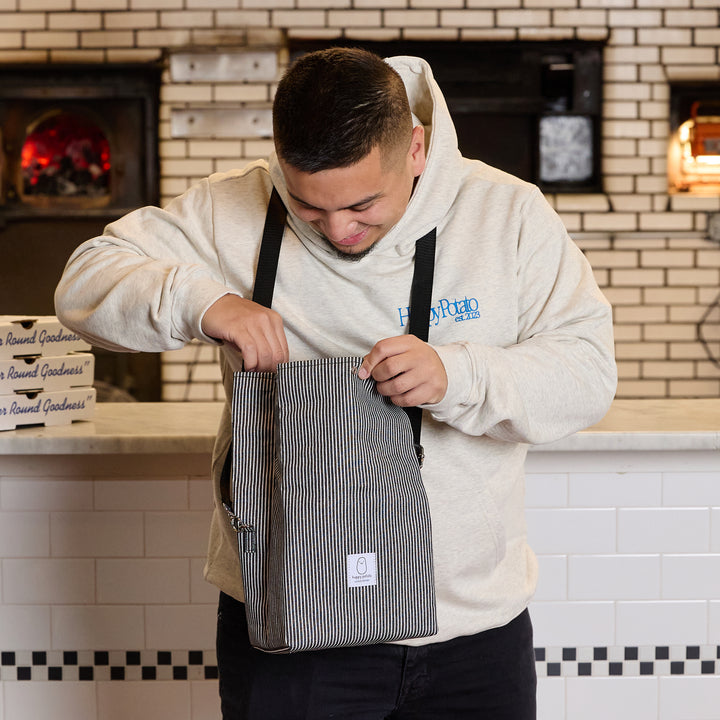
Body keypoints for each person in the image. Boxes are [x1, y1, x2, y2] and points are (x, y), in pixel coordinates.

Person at [55, 47, 617, 719]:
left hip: (471, 633)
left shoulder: (508, 215)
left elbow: (587, 373)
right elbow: (84, 281)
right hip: (290, 633)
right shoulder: (233, 206)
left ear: (414, 148)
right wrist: (202, 303)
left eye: (362, 205)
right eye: (309, 208)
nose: (340, 231)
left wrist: (457, 373)